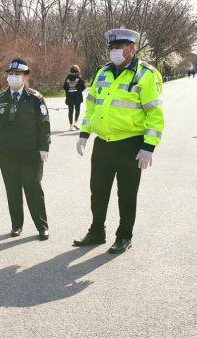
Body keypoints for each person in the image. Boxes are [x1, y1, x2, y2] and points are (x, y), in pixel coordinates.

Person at [73, 28, 164, 254]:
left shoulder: (145, 74)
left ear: (132, 49)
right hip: (103, 143)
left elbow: (154, 113)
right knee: (98, 191)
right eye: (112, 48)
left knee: (126, 194)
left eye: (119, 48)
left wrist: (148, 147)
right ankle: (96, 232)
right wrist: (85, 134)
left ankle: (124, 236)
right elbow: (92, 106)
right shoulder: (103, 73)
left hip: (130, 144)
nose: (114, 52)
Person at [0, 58, 51, 241]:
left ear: (25, 78)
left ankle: (42, 227)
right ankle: (17, 225)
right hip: (7, 154)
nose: (14, 77)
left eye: (18, 74)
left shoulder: (35, 99)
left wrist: (44, 147)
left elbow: (44, 125)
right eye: (11, 74)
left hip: (30, 154)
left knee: (33, 190)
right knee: (12, 190)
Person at [63, 65, 86, 130]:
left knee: (70, 111)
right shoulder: (79, 78)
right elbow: (83, 87)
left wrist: (69, 92)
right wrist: (78, 91)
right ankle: (75, 123)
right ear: (78, 71)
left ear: (71, 70)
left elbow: (64, 87)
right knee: (77, 110)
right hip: (77, 97)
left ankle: (70, 126)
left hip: (69, 97)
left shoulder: (67, 78)